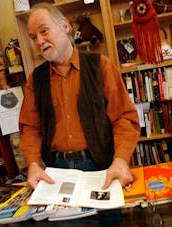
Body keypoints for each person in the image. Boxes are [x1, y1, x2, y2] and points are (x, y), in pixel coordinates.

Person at [19, 2, 140, 190]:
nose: (39, 41)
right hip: (56, 171)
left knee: (109, 220)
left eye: (44, 31)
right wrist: (33, 164)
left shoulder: (101, 66)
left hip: (101, 166)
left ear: (66, 26)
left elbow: (123, 117)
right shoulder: (35, 80)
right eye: (33, 37)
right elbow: (30, 128)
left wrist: (121, 159)